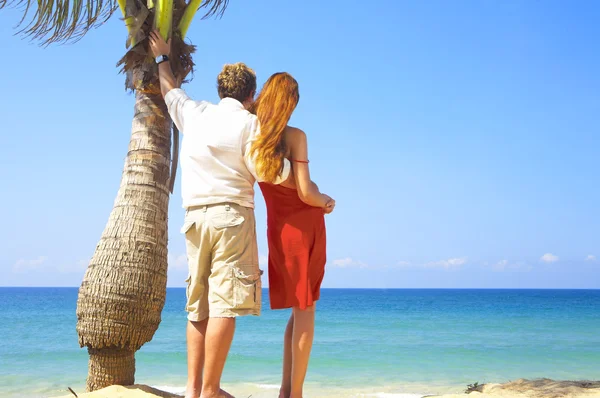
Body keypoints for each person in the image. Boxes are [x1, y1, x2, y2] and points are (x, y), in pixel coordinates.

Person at [148, 31, 292, 398]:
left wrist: (162, 57)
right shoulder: (249, 124)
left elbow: (169, 90)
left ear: (220, 90)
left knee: (198, 305)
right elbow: (266, 171)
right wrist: (294, 170)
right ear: (250, 95)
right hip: (231, 217)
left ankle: (194, 389)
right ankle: (211, 390)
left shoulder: (194, 113)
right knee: (224, 304)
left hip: (194, 218)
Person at [250, 72, 336, 398]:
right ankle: (296, 394)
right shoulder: (294, 136)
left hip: (278, 231)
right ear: (289, 103)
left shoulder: (254, 139)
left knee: (297, 310)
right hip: (303, 229)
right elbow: (305, 191)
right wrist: (325, 199)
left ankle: (286, 391)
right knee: (306, 311)